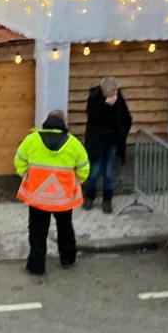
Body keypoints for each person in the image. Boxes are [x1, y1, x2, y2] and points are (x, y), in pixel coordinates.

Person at [14, 110, 90, 275]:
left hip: (38, 196)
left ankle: (36, 265)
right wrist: (76, 181)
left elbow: (19, 160)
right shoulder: (73, 144)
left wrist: (26, 175)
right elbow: (84, 168)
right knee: (65, 228)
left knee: (37, 231)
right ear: (64, 124)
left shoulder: (32, 140)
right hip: (63, 198)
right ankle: (68, 259)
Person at [83, 76, 132, 213]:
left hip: (113, 141)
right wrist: (106, 106)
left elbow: (127, 118)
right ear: (104, 91)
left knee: (109, 172)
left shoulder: (119, 99)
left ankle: (107, 199)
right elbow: (94, 118)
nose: (114, 94)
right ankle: (89, 195)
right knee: (94, 170)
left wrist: (121, 134)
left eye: (116, 91)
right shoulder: (94, 98)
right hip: (97, 141)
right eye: (112, 91)